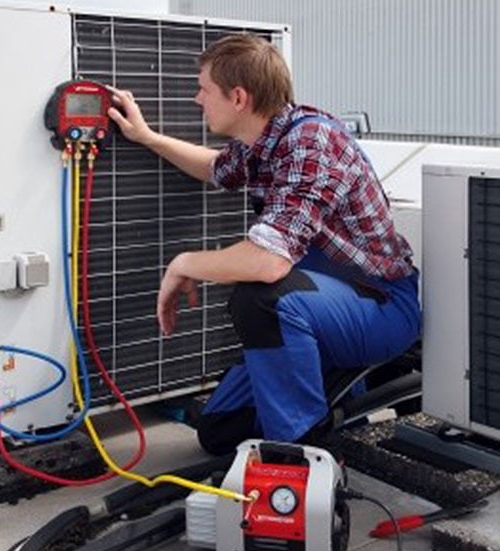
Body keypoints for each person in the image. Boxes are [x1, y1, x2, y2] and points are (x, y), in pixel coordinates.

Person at [107, 33, 421, 455]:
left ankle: (299, 456)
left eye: (204, 89)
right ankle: (339, 401)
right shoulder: (265, 142)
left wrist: (183, 262)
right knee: (219, 430)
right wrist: (147, 137)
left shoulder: (311, 142)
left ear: (238, 97)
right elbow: (215, 167)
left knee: (261, 299)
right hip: (320, 304)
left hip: (378, 306)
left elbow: (268, 262)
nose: (197, 100)